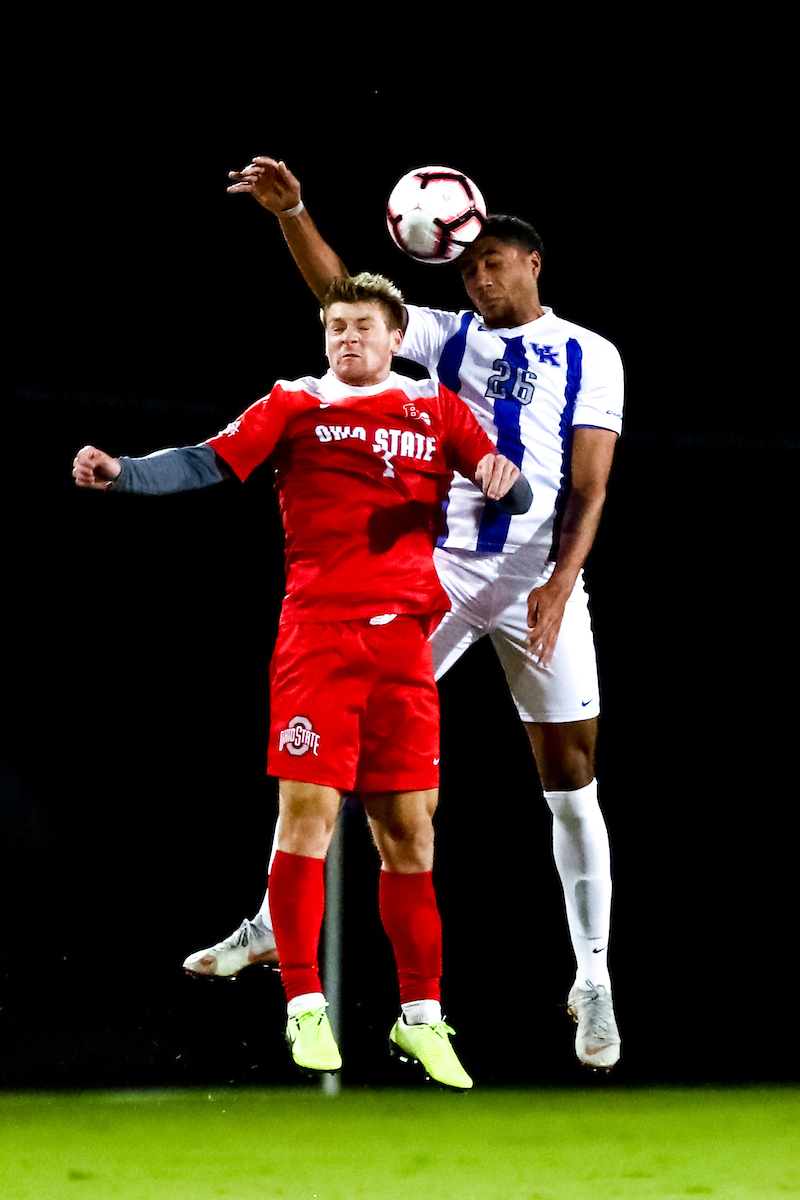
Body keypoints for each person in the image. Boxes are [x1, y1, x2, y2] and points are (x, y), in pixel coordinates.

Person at [185, 156, 625, 1072]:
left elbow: (588, 488)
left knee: (571, 775)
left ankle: (593, 975)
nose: (479, 277)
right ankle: (273, 926)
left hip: (544, 580)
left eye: (494, 262)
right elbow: (346, 296)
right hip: (446, 576)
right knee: (341, 739)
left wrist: (557, 582)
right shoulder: (449, 338)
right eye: (468, 267)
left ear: (533, 262)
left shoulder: (592, 353)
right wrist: (293, 212)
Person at [72, 272, 529, 1089]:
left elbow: (510, 483)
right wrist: (126, 473)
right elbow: (208, 461)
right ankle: (304, 1003)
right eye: (335, 326)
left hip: (404, 653)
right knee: (308, 817)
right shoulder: (294, 403)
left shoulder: (435, 410)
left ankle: (421, 1016)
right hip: (319, 641)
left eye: (363, 326)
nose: (347, 338)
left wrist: (506, 481)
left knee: (412, 837)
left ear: (396, 337)